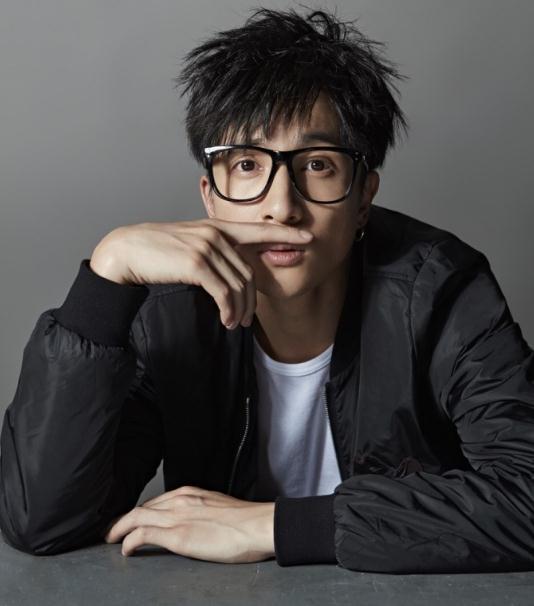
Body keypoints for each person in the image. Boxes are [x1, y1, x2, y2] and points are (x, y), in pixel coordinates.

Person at [1, 5, 534, 574]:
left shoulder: (440, 290)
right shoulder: (166, 314)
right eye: (248, 165)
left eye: (319, 164)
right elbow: (43, 521)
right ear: (210, 196)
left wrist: (275, 525)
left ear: (364, 198)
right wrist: (105, 280)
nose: (281, 206)